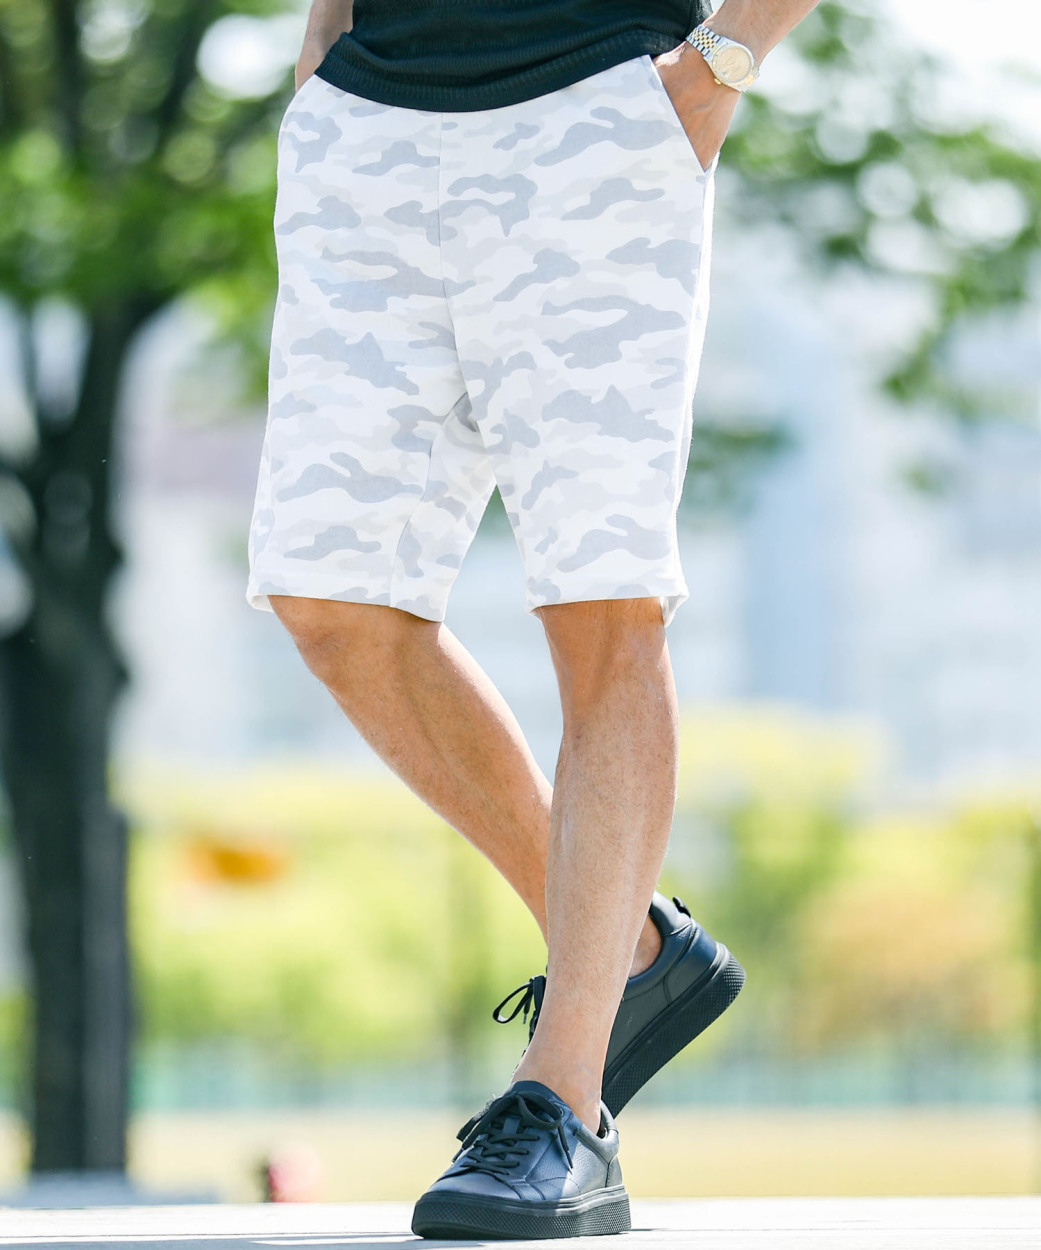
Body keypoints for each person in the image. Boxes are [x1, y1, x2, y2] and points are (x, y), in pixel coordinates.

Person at [246, 0, 820, 1238]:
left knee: (600, 599)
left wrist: (722, 64)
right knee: (328, 595)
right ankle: (631, 956)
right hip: (367, 127)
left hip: (597, 116)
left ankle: (565, 1109)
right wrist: (322, 54)